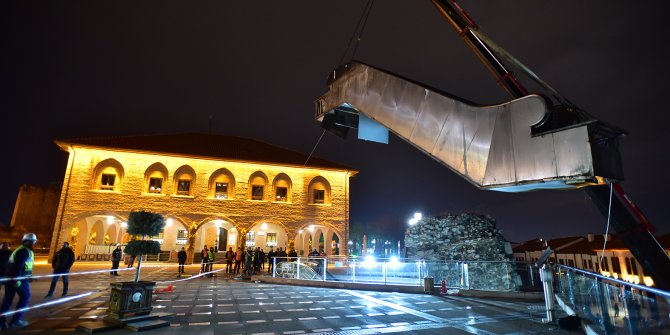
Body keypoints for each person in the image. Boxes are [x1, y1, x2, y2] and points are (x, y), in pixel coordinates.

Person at [0, 233, 37, 329]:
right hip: (19, 279)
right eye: (33, 242)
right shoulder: (24, 251)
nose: (34, 243)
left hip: (12, 278)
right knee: (25, 297)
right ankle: (16, 320)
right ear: (28, 241)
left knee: (7, 300)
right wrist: (18, 280)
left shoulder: (22, 249)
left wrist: (30, 276)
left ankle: (1, 322)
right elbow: (18, 266)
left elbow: (25, 266)